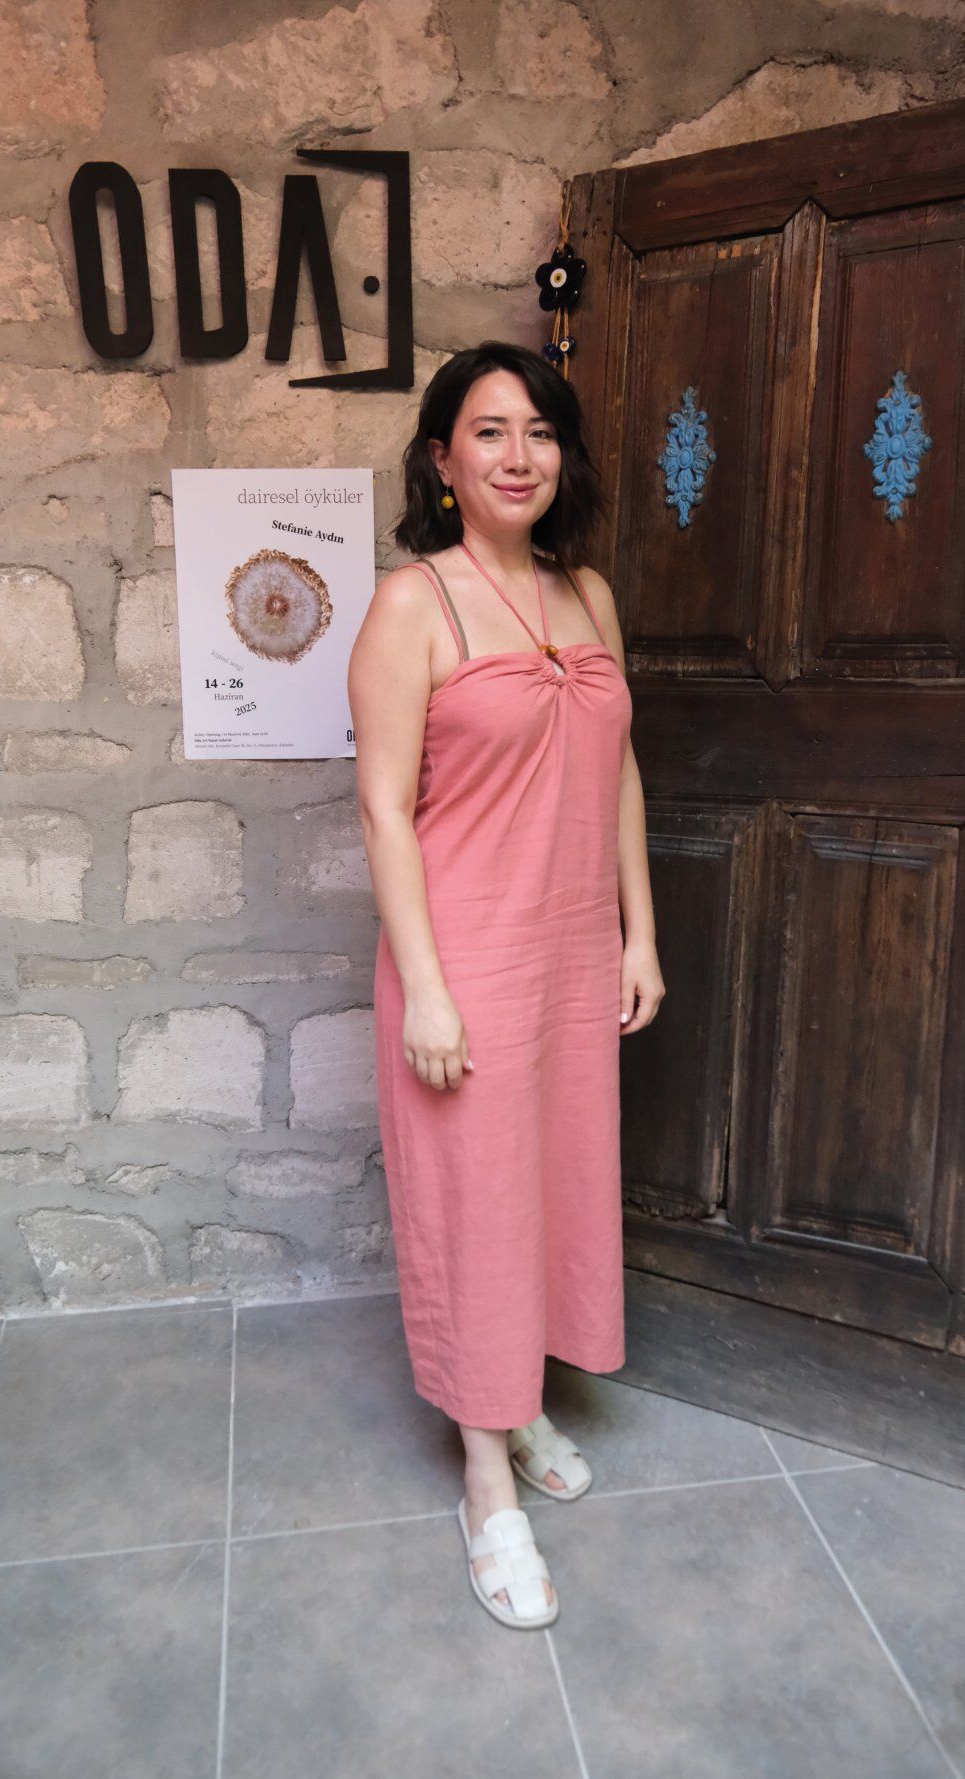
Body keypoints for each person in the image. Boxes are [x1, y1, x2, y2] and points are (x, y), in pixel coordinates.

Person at [348, 340, 664, 1629]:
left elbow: (620, 771)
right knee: (476, 1207)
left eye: (539, 431)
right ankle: (486, 1483)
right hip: (466, 959)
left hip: (572, 952)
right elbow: (383, 809)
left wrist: (639, 935)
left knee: (552, 1188)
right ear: (443, 459)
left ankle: (518, 1404)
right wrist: (426, 988)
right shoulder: (412, 603)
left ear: (563, 455)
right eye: (488, 432)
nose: (517, 455)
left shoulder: (588, 595)